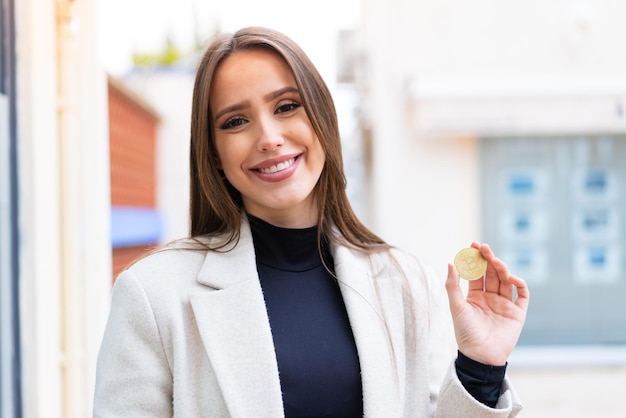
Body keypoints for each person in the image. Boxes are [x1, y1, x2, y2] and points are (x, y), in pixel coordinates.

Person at [93, 26, 529, 417]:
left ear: (322, 118)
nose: (268, 138)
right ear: (214, 155)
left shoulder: (408, 282)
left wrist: (480, 367)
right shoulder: (154, 297)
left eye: (286, 106)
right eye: (236, 121)